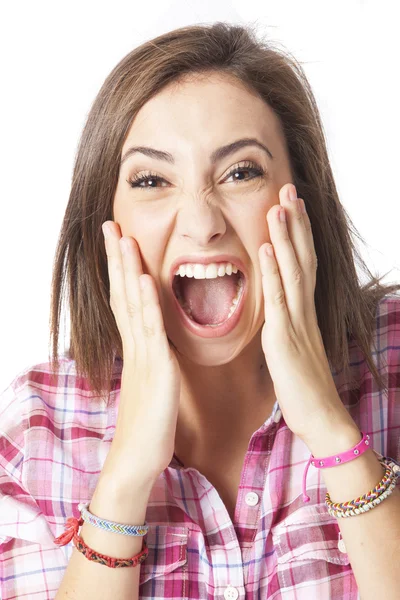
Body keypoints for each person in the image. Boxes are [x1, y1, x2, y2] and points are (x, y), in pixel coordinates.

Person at [1, 21, 399, 600]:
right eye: (152, 179)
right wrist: (126, 478)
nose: (202, 222)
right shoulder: (39, 432)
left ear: (302, 203)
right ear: (103, 228)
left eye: (241, 172)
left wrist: (333, 429)